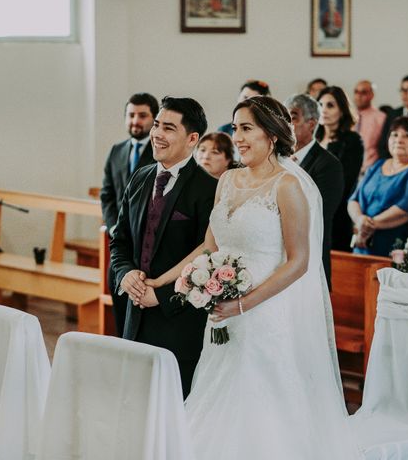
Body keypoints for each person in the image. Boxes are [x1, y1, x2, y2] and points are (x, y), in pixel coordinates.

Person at [147, 96, 361, 459]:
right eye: (235, 128)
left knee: (261, 407)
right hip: (223, 312)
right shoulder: (227, 180)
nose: (238, 137)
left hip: (264, 314)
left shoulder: (288, 186)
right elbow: (208, 246)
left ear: (272, 135)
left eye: (247, 128)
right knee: (217, 395)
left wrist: (244, 304)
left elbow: (299, 262)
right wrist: (163, 280)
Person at [110, 96, 217, 398]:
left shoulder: (208, 189)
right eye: (156, 124)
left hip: (179, 320)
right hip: (135, 313)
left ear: (192, 138)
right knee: (135, 399)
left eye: (168, 128)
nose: (156, 133)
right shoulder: (140, 178)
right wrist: (125, 274)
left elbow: (208, 260)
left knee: (173, 405)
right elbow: (120, 241)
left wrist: (162, 296)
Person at [100, 92, 158, 334]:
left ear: (154, 119)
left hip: (148, 244)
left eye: (142, 115)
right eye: (131, 115)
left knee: (142, 316)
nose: (136, 121)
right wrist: (115, 227)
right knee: (120, 305)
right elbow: (107, 194)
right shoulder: (117, 150)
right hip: (120, 242)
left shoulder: (159, 152)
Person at [285, 93, 344, 288]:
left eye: (292, 117)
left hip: (310, 254)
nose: (286, 123)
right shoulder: (277, 160)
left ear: (311, 124)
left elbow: (319, 214)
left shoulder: (328, 165)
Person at [348, 117, 408, 257]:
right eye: (394, 134)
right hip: (362, 243)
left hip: (394, 248)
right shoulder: (378, 165)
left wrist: (368, 226)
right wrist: (360, 220)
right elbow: (353, 200)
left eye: (407, 136)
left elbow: (405, 209)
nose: (399, 140)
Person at [315, 86, 364, 251]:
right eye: (320, 105)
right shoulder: (313, 139)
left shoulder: (352, 140)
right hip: (310, 211)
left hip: (336, 212)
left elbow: (347, 180)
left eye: (330, 105)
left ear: (342, 110)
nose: (324, 110)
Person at [353, 80, 387, 173]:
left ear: (372, 95)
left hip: (371, 170)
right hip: (349, 168)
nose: (359, 96)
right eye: (356, 92)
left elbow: (383, 146)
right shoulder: (348, 116)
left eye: (363, 92)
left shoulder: (381, 117)